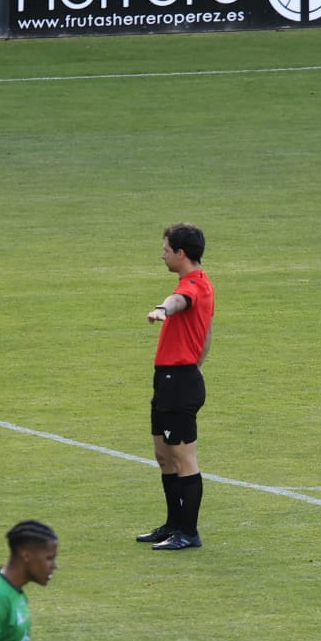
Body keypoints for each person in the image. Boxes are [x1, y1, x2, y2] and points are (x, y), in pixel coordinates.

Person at [140, 225, 214, 551]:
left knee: (183, 458)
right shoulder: (195, 283)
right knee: (163, 455)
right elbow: (207, 334)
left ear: (181, 253)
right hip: (170, 380)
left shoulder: (194, 286)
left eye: (166, 248)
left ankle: (188, 532)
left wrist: (162, 308)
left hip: (179, 382)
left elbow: (179, 301)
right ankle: (172, 525)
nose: (162, 254)